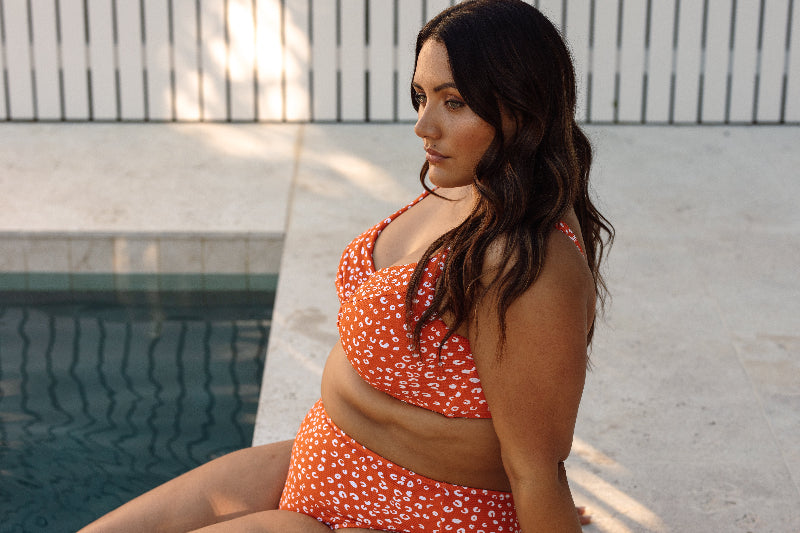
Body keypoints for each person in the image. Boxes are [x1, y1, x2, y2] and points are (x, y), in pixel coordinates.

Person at [79, 1, 612, 531]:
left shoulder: (530, 264)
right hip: (332, 459)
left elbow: (535, 467)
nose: (423, 125)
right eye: (421, 96)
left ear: (522, 108)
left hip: (413, 512)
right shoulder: (474, 188)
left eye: (454, 102)